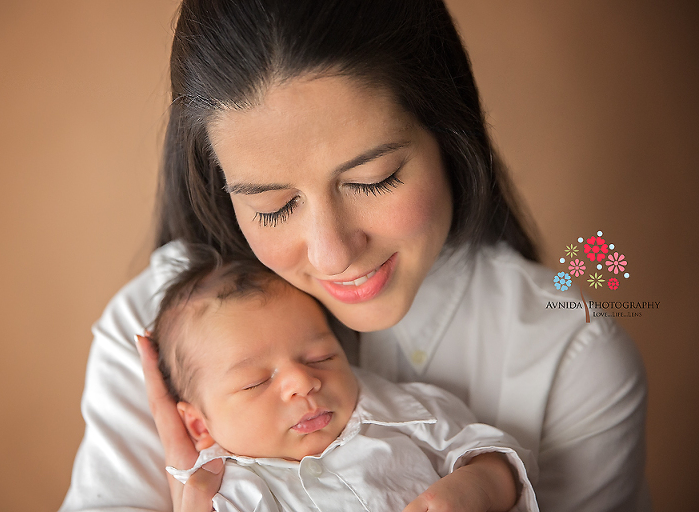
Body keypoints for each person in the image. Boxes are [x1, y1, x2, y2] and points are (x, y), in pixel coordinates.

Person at [60, 1, 648, 511]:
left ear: (448, 132)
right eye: (271, 207)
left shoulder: (570, 356)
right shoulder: (157, 336)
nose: (332, 251)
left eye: (373, 180)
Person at [148, 250, 539, 512]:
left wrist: (479, 486)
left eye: (321, 357)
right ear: (199, 425)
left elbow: (499, 457)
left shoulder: (408, 414)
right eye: (255, 382)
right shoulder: (226, 496)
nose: (302, 380)